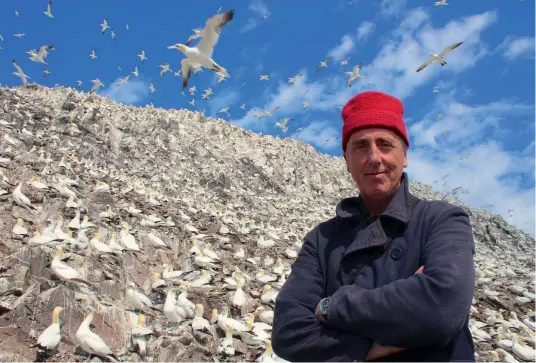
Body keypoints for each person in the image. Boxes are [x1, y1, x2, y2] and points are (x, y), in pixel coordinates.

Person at [271, 90, 476, 362]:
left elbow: (442, 307)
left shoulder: (441, 219)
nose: (375, 157)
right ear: (346, 161)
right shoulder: (322, 240)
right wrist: (368, 347)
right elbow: (288, 332)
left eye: (385, 144)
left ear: (404, 156)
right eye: (361, 146)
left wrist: (331, 306)